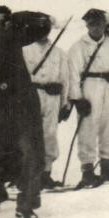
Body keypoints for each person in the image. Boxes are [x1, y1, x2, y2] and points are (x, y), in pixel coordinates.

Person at [0, 5, 51, 218]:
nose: (4, 27)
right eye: (0, 22)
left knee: (32, 153)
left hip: (22, 106)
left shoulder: (11, 37)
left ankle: (27, 203)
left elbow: (43, 27)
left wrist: (17, 18)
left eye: (7, 23)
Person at [68, 8, 109, 186]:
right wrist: (77, 99)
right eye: (92, 24)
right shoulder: (78, 46)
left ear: (104, 25)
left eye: (99, 24)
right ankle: (87, 170)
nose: (96, 28)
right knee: (88, 127)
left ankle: (106, 166)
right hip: (90, 87)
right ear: (87, 26)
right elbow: (73, 74)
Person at [22, 19, 70, 189]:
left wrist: (65, 104)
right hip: (31, 96)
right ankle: (28, 176)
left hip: (52, 98)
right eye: (39, 29)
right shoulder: (24, 51)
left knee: (49, 135)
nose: (43, 32)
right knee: (29, 135)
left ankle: (45, 174)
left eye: (46, 29)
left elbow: (65, 79)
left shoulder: (59, 53)